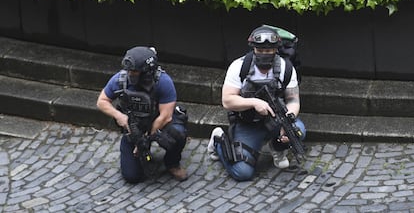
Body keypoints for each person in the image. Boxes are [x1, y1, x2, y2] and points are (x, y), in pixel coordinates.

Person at [207, 25, 306, 181]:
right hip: (248, 123)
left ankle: (277, 147)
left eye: (269, 51)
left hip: (275, 120)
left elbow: (293, 100)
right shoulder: (239, 67)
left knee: (297, 131)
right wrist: (253, 102)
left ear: (276, 49)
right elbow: (227, 100)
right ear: (253, 48)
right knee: (242, 172)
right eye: (260, 51)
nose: (264, 54)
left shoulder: (286, 68)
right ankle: (218, 140)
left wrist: (288, 120)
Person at [97, 46, 188, 183]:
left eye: (135, 71)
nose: (130, 74)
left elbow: (165, 116)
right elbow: (101, 101)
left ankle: (172, 163)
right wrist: (119, 116)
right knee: (132, 176)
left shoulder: (163, 82)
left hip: (159, 123)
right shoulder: (120, 80)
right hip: (135, 126)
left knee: (178, 133)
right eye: (129, 71)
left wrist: (147, 138)